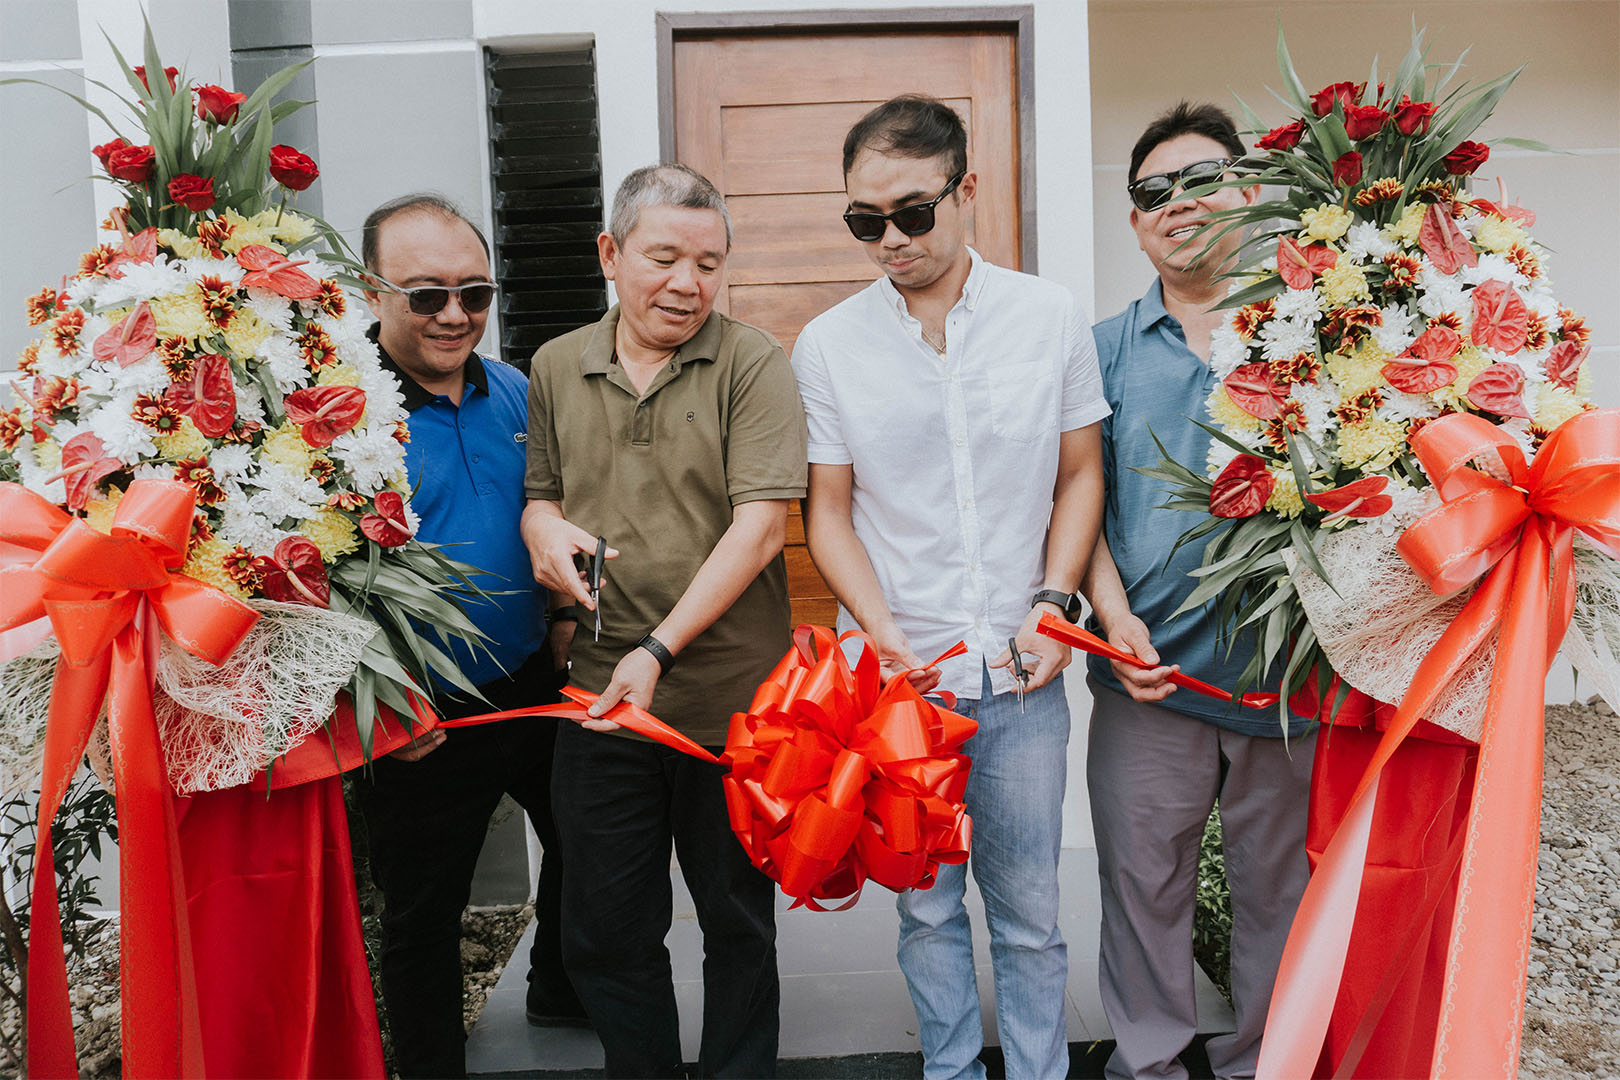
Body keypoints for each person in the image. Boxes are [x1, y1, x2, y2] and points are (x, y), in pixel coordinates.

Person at [792, 95, 1109, 1080]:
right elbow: (829, 513)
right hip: (903, 688)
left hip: (1021, 671)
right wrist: (879, 630)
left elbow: (1080, 476)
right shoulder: (828, 345)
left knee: (1029, 918)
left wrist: (1055, 604)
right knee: (926, 911)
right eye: (865, 221)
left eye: (912, 213)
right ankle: (950, 1071)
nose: (891, 240)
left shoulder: (1048, 316)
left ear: (966, 190)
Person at [520, 163, 807, 1079]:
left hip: (731, 703)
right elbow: (542, 495)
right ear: (611, 254)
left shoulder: (753, 363)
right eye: (664, 259)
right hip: (602, 701)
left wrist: (658, 648)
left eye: (709, 265)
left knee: (737, 922)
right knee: (605, 928)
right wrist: (540, 529)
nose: (688, 283)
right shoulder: (557, 364)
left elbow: (760, 529)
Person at [1079, 103, 1315, 1080]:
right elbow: (1076, 507)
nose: (1177, 203)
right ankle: (1150, 1067)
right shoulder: (1099, 351)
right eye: (1153, 192)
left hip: (1291, 682)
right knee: (1142, 890)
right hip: (1148, 680)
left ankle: (1267, 1063)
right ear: (1135, 224)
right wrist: (1114, 620)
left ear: (1249, 191)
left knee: (1281, 894)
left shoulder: (1313, 330)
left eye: (1202, 180)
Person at [352, 193, 584, 1079]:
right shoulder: (338, 415)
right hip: (420, 711)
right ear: (372, 292)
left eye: (474, 293)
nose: (455, 314)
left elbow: (555, 511)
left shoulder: (519, 392)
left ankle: (558, 985)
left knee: (586, 842)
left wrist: (564, 619)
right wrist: (378, 704)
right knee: (425, 912)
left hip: (530, 679)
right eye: (426, 295)